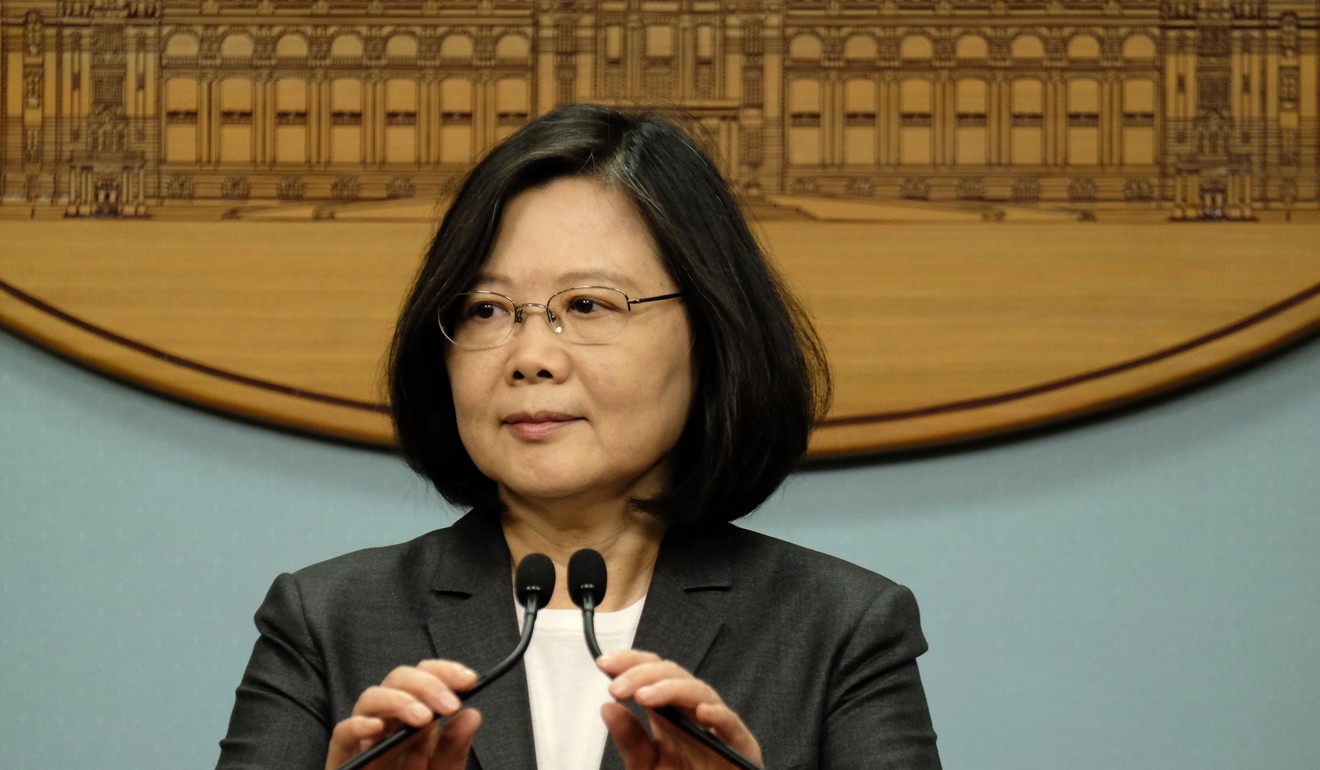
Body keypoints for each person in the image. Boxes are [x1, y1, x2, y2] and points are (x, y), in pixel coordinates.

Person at [217, 103, 940, 770]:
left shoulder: (838, 630)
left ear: (711, 333)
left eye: (588, 304)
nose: (530, 356)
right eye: (486, 310)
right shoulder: (327, 621)